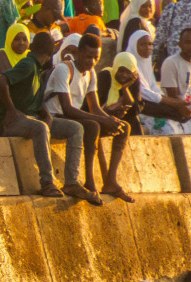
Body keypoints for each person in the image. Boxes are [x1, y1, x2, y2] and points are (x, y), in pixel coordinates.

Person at [45, 32, 132, 202]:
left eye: (96, 58)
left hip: (72, 118)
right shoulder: (65, 69)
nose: (91, 62)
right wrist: (103, 120)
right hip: (55, 118)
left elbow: (95, 108)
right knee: (92, 126)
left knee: (124, 127)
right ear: (78, 53)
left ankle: (111, 181)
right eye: (88, 57)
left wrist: (110, 120)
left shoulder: (91, 73)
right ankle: (89, 182)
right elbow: (68, 108)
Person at [0, 29, 72, 199]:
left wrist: (46, 114)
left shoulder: (37, 69)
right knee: (40, 128)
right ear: (51, 53)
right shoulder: (28, 65)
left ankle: (72, 182)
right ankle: (47, 182)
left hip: (28, 118)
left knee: (75, 128)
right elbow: (0, 80)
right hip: (9, 122)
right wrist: (11, 110)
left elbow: (36, 101)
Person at [128, 29, 191, 136]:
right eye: (143, 44)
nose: (148, 47)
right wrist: (173, 102)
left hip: (152, 102)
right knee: (169, 122)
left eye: (150, 44)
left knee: (184, 117)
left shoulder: (146, 62)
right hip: (140, 107)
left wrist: (173, 102)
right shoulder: (130, 63)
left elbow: (153, 87)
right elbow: (143, 92)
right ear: (134, 46)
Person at [96, 51, 144, 136]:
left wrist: (125, 89)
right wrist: (113, 108)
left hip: (120, 117)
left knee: (134, 120)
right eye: (121, 71)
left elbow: (135, 109)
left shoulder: (134, 79)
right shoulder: (105, 76)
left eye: (128, 72)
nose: (124, 75)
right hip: (103, 115)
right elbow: (96, 106)